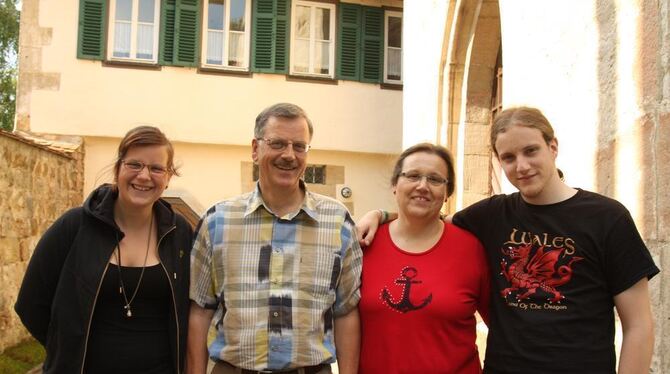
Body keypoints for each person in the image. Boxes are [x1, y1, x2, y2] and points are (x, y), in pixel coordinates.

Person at [356, 107, 659, 374]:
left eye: (531, 151)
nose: (521, 166)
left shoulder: (607, 217)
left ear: (552, 147)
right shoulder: (492, 214)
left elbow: (638, 325)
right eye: (509, 157)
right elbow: (425, 219)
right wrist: (380, 215)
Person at [187, 103, 362, 374]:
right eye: (278, 143)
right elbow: (200, 311)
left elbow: (346, 311)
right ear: (255, 150)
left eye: (299, 146)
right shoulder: (217, 221)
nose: (289, 155)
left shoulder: (338, 222)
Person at [15, 126, 194, 374]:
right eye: (134, 164)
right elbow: (31, 303)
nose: (144, 176)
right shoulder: (74, 226)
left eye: (156, 168)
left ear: (168, 177)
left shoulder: (180, 233)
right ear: (118, 168)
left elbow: (194, 309)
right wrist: (66, 349)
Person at [358, 143, 489, 373]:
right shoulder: (363, 244)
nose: (422, 186)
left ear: (447, 193)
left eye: (435, 179)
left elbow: (500, 326)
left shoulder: (472, 248)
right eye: (413, 176)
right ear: (394, 185)